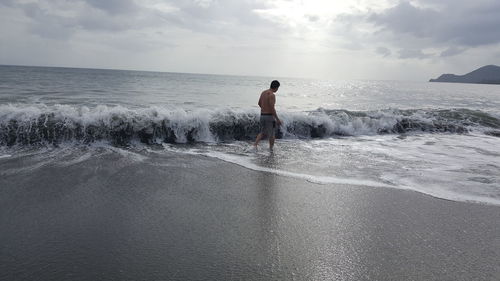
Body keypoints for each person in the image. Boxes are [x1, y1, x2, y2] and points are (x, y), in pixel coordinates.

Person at [254, 80, 282, 150]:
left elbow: (259, 103)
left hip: (262, 115)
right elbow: (272, 108)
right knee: (272, 134)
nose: (277, 90)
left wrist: (264, 109)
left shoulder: (263, 92)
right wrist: (277, 119)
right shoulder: (272, 95)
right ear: (276, 87)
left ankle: (254, 145)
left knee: (262, 132)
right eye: (278, 88)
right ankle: (271, 149)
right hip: (269, 117)